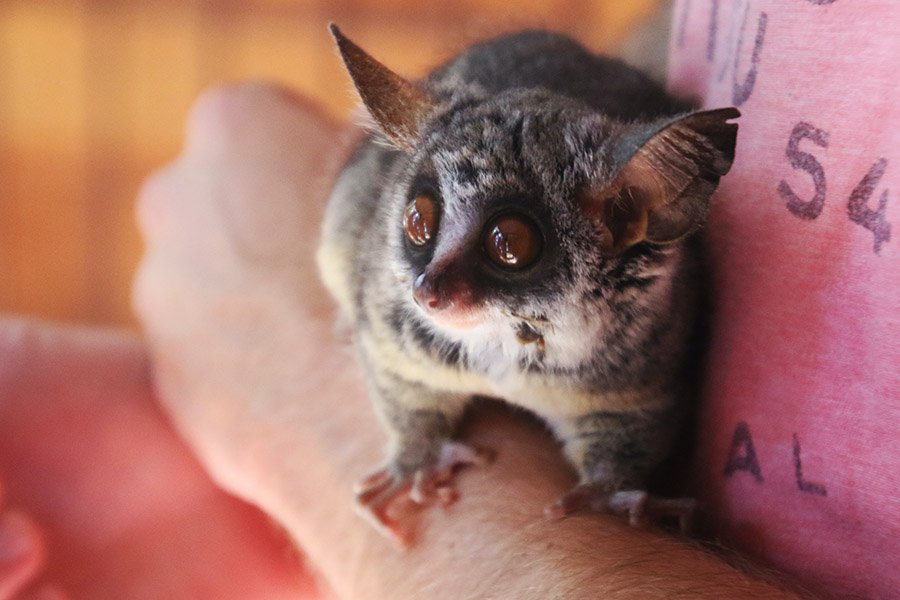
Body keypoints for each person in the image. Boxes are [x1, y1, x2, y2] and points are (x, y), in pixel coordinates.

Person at [1, 1, 896, 597]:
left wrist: (306, 410)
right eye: (424, 222)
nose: (433, 284)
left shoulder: (632, 302)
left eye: (508, 244)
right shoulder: (414, 270)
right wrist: (177, 429)